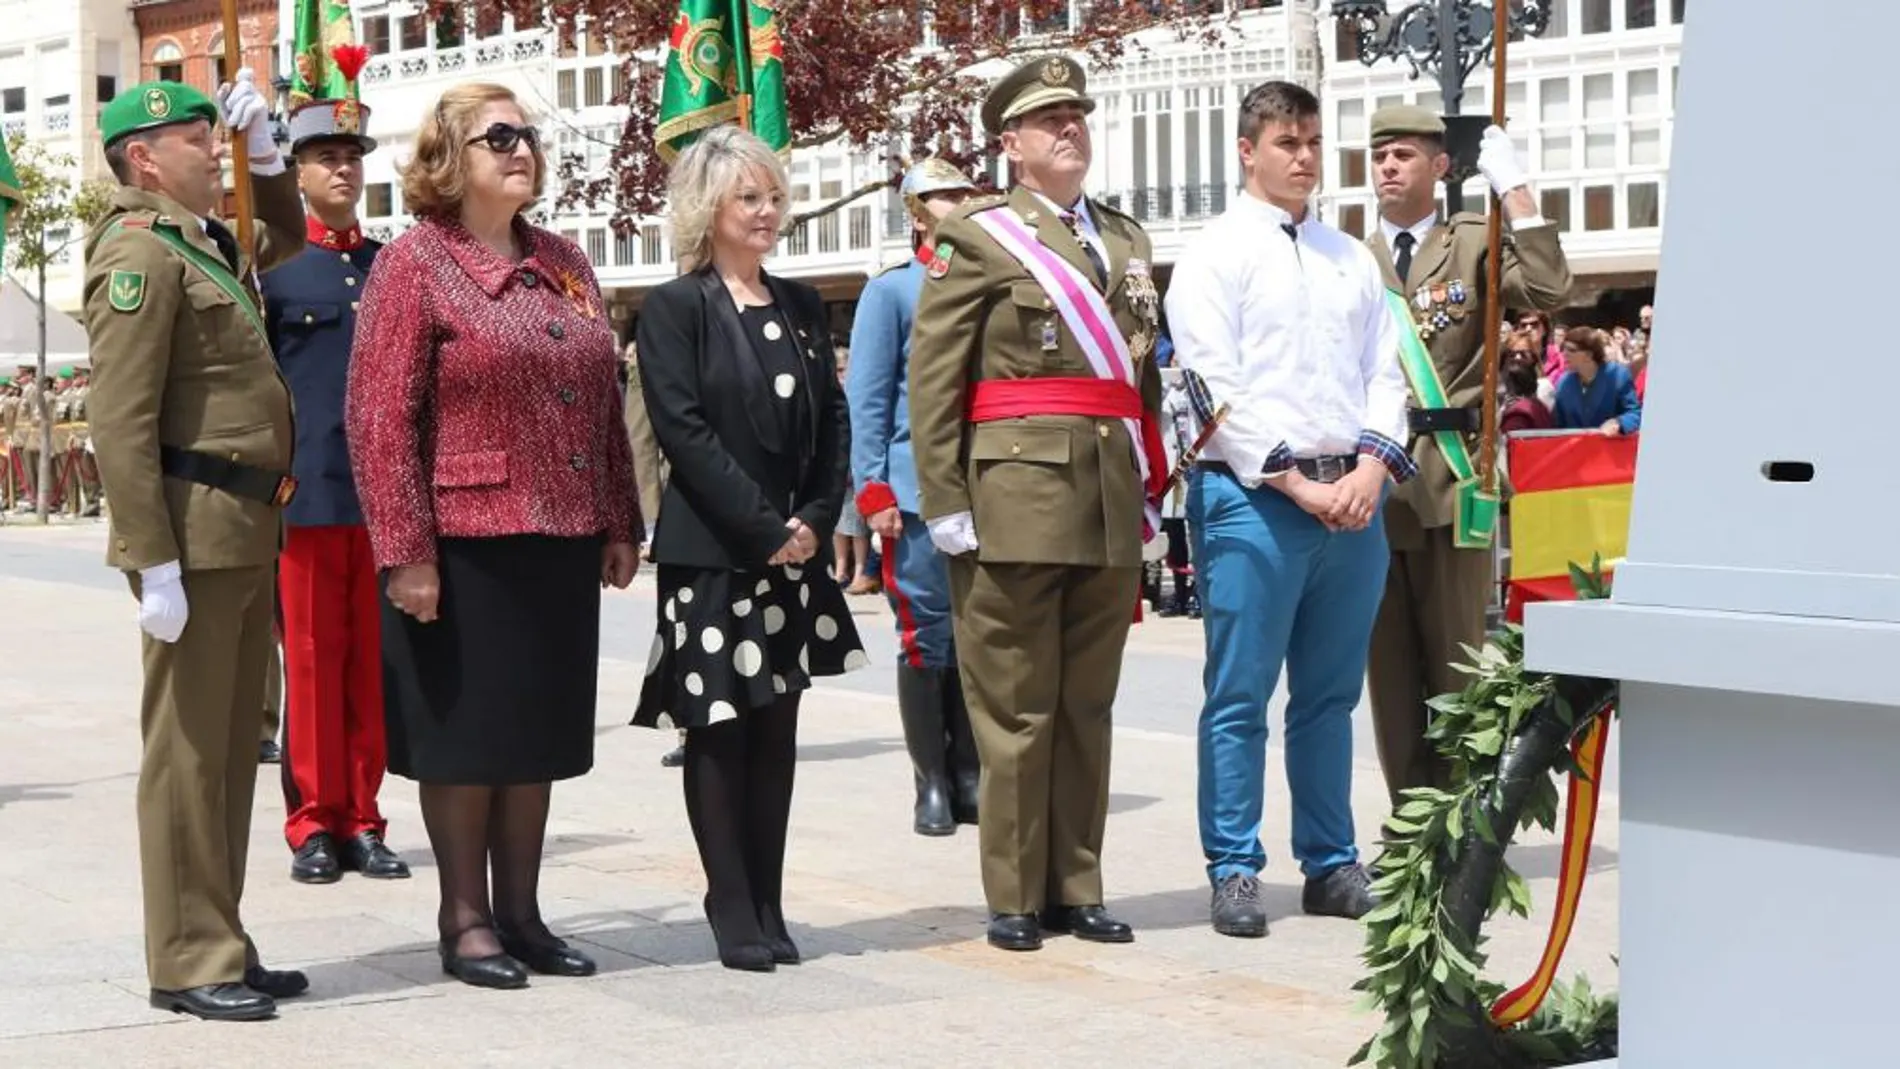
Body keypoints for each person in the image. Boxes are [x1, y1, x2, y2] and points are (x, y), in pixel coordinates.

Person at [347, 82, 640, 990]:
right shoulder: (415, 263)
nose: (520, 149)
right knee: (468, 740)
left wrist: (622, 518)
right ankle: (464, 916)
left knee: (536, 736)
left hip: (559, 533)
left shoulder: (564, 261)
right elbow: (378, 417)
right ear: (449, 157)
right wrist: (405, 550)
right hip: (462, 541)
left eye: (527, 135)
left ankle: (523, 911)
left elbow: (603, 401)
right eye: (496, 136)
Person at [909, 55, 1164, 953]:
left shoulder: (1125, 241)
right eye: (1049, 119)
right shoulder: (979, 237)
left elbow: (1141, 379)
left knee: (1087, 705)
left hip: (1105, 497)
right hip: (1013, 498)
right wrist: (943, 498)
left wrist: (1152, 485)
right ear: (1010, 145)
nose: (1070, 129)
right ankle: (1015, 894)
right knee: (1018, 710)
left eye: (1078, 115)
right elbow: (934, 377)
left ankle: (1075, 885)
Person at [82, 74, 309, 1021]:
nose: (213, 150)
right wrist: (151, 560)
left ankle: (220, 931)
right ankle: (184, 956)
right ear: (144, 156)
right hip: (196, 535)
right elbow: (120, 420)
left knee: (227, 752)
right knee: (186, 758)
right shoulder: (136, 254)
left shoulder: (204, 241)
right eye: (198, 138)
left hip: (248, 530)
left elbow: (285, 239)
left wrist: (271, 161)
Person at [1166, 81, 1416, 939]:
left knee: (1330, 695)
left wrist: (1372, 469)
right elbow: (1212, 387)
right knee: (1238, 693)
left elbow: (1388, 373)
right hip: (1254, 498)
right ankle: (1235, 867)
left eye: (1313, 141)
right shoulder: (1212, 254)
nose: (1304, 156)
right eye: (1286, 142)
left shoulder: (1351, 257)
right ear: (1246, 149)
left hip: (1352, 495)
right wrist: (1298, 481)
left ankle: (1330, 858)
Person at [630, 123, 866, 973]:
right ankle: (729, 900)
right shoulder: (677, 307)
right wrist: (765, 531)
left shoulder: (801, 305)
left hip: (793, 553)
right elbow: (685, 434)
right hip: (718, 556)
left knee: (777, 730)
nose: (768, 211)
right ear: (708, 208)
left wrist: (814, 514)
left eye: (774, 195)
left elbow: (832, 422)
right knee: (720, 729)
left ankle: (768, 895)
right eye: (749, 197)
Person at [1360, 105, 1572, 799]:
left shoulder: (1474, 241)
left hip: (1453, 477)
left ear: (1441, 166)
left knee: (1455, 666)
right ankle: (1409, 820)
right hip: (1374, 484)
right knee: (1388, 673)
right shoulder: (1348, 258)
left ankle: (1458, 819)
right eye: (1380, 155)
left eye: (1405, 155)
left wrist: (1516, 191)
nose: (1389, 167)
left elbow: (1548, 289)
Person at [261, 72, 410, 884]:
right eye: (325, 157)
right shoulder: (277, 273)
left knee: (372, 664)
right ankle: (312, 820)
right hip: (309, 491)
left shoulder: (391, 267)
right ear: (298, 173)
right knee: (314, 660)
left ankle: (364, 816)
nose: (343, 170)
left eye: (351, 156)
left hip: (383, 497)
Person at [845, 158, 980, 837]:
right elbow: (867, 397)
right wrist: (872, 488)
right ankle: (931, 777)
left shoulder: (988, 282)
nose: (959, 201)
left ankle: (968, 770)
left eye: (965, 190)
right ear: (917, 212)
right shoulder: (894, 292)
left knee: (976, 634)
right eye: (943, 194)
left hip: (985, 487)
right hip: (917, 488)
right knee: (925, 634)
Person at [1552, 327, 1641, 436]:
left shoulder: (1618, 375)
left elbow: (1635, 413)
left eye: (1571, 350)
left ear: (1589, 355)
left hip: (1611, 448)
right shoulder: (1563, 383)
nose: (1564, 354)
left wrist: (1619, 423)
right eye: (1563, 349)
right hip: (1575, 449)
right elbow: (1558, 424)